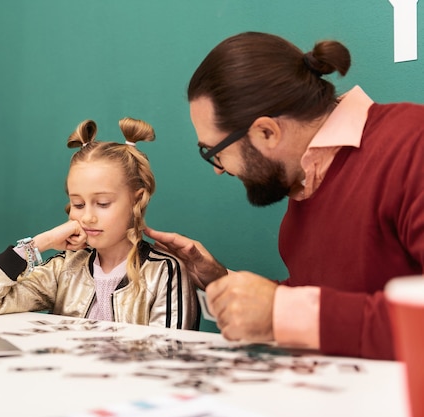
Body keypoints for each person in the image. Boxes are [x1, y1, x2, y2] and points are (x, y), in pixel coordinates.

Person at [145, 32, 424, 360]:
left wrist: (284, 314)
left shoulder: (412, 146)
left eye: (213, 152)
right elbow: (342, 302)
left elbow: (323, 316)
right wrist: (222, 282)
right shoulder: (304, 187)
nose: (217, 169)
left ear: (266, 132)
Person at [0, 117, 198, 330]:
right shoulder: (66, 268)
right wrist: (42, 243)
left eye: (103, 203)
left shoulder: (164, 271)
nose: (88, 217)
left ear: (137, 199)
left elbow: (168, 358)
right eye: (78, 205)